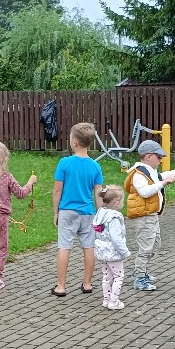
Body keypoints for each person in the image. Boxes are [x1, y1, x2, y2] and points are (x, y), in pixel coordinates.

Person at [124, 140, 175, 292]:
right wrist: (164, 182)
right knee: (145, 249)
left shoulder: (150, 170)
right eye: (159, 158)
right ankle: (139, 278)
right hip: (144, 216)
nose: (160, 160)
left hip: (152, 215)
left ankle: (141, 270)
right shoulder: (139, 173)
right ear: (148, 156)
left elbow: (160, 176)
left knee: (155, 246)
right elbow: (145, 192)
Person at [0, 139, 36, 290]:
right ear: (4, 158)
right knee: (1, 247)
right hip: (0, 217)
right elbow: (21, 193)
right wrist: (30, 182)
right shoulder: (7, 176)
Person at [52, 122, 103, 297]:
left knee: (64, 246)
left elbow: (57, 190)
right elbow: (98, 193)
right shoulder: (95, 166)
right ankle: (87, 284)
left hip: (67, 211)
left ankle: (61, 286)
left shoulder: (65, 163)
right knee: (89, 247)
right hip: (88, 212)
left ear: (74, 142)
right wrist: (100, 214)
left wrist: (56, 212)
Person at [92, 185, 131, 310]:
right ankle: (114, 301)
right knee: (118, 276)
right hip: (113, 253)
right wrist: (125, 253)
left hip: (102, 251)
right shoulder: (113, 217)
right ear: (117, 202)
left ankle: (106, 299)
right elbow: (116, 238)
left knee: (106, 276)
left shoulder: (100, 213)